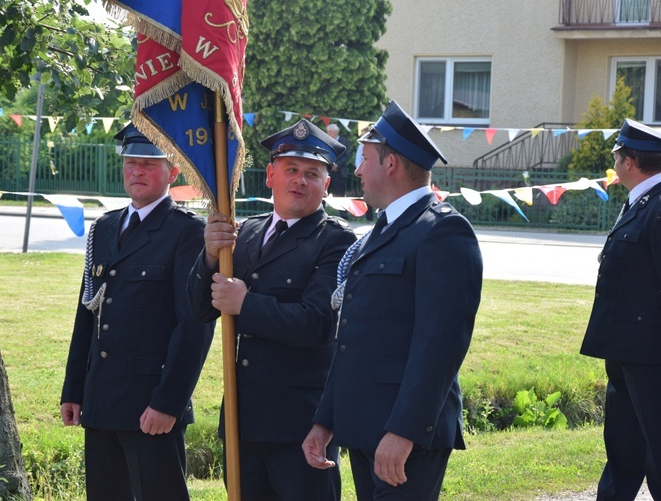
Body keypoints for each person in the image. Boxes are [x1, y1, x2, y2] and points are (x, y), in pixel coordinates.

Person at [303, 100, 483, 500]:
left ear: (391, 164)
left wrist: (404, 431)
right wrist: (325, 420)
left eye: (365, 159)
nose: (357, 170)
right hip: (368, 424)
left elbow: (440, 346)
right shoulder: (384, 230)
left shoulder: (443, 232)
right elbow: (353, 337)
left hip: (405, 433)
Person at [187, 118, 356, 501]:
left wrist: (246, 304)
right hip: (242, 421)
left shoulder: (336, 241)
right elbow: (199, 309)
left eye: (312, 173)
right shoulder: (243, 232)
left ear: (326, 185)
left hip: (300, 426)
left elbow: (319, 324)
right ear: (270, 175)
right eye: (291, 170)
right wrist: (211, 256)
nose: (300, 180)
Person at [60, 124, 214, 501]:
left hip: (151, 405)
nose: (137, 171)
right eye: (131, 163)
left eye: (149, 164)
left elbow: (193, 325)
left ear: (172, 173)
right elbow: (87, 314)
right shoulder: (104, 228)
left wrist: (169, 402)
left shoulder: (186, 232)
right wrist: (74, 388)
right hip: (100, 399)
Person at [581, 118, 661, 501]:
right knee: (622, 446)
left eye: (616, 154)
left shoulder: (659, 206)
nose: (613, 161)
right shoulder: (642, 202)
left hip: (650, 356)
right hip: (625, 349)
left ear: (629, 161)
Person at [327, 123, 351, 218]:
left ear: (336, 132)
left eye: (330, 132)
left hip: (339, 173)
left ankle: (344, 217)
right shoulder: (326, 141)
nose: (328, 133)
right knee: (323, 195)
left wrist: (337, 165)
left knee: (340, 196)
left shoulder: (344, 141)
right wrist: (330, 164)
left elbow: (346, 156)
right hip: (328, 172)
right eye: (328, 131)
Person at [355, 126, 374, 221]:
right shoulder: (360, 146)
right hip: (365, 172)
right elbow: (358, 160)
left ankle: (371, 216)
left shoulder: (375, 146)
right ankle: (365, 215)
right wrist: (362, 171)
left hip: (372, 173)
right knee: (365, 194)